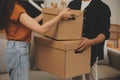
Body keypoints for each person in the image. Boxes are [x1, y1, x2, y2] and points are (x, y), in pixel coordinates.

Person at [0, 0, 72, 80]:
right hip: (18, 52)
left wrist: (43, 14)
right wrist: (60, 16)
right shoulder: (16, 9)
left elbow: (31, 23)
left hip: (15, 50)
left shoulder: (11, 7)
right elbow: (42, 29)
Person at [68, 0, 111, 80]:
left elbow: (104, 33)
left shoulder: (103, 7)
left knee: (91, 78)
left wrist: (90, 42)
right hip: (73, 49)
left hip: (93, 51)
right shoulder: (72, 4)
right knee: (76, 76)